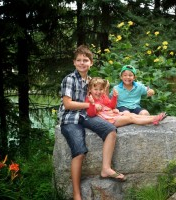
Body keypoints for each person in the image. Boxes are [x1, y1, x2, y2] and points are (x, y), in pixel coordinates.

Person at [58, 45, 125, 200]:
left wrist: (111, 108)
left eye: (85, 60)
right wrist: (90, 105)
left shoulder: (91, 81)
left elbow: (102, 100)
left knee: (110, 129)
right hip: (70, 118)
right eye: (79, 60)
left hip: (86, 116)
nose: (82, 63)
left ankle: (106, 168)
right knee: (80, 152)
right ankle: (77, 195)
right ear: (74, 62)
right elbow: (68, 104)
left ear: (91, 63)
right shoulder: (69, 79)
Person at [85, 77, 167, 127]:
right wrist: (93, 105)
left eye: (101, 89)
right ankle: (153, 119)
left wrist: (114, 96)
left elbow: (111, 106)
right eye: (95, 89)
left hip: (112, 115)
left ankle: (154, 117)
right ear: (90, 89)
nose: (98, 92)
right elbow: (91, 114)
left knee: (132, 114)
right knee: (130, 118)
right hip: (109, 121)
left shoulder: (102, 96)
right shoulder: (89, 99)